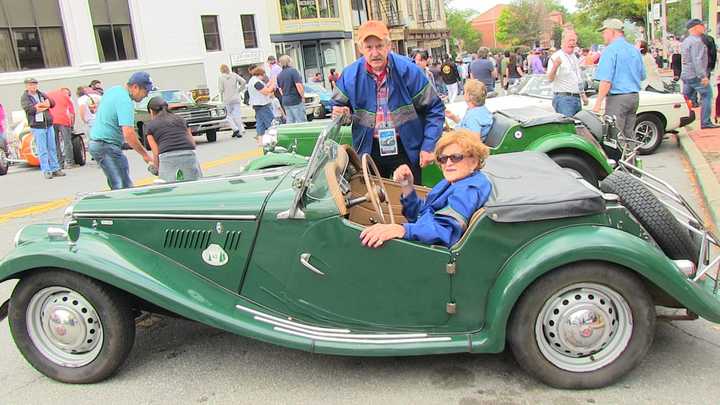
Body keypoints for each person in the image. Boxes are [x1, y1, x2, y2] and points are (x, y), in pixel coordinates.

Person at [330, 20, 445, 185]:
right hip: (370, 149)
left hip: (406, 147)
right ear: (360, 48)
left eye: (379, 46)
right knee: (375, 202)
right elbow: (338, 107)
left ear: (389, 45)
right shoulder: (350, 76)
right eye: (369, 47)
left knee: (409, 198)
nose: (375, 52)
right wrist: (342, 114)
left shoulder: (409, 71)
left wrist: (428, 146)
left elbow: (435, 108)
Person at [359, 129, 492, 248]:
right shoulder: (451, 182)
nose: (448, 163)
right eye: (443, 159)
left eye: (456, 157)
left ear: (474, 161)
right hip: (424, 237)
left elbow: (445, 230)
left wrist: (403, 230)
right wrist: (407, 186)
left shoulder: (469, 189)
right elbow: (419, 214)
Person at [89, 72, 155, 189]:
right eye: (146, 91)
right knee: (122, 185)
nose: (146, 95)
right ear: (135, 87)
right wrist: (145, 155)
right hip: (106, 144)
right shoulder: (125, 101)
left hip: (98, 143)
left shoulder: (114, 90)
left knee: (117, 180)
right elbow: (128, 133)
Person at [592, 19, 646, 141]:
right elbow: (642, 75)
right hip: (633, 97)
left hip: (618, 99)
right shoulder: (634, 50)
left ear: (613, 32)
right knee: (629, 135)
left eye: (605, 32)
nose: (603, 35)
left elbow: (606, 80)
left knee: (614, 137)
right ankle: (631, 159)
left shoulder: (610, 50)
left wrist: (598, 104)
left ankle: (618, 160)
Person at [144, 97, 202, 183]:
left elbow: (156, 152)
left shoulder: (150, 126)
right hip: (189, 155)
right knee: (193, 184)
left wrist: (156, 168)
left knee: (169, 187)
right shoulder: (181, 120)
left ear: (151, 111)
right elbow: (192, 143)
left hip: (167, 158)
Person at [20, 78, 64, 179]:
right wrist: (43, 106)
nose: (33, 86)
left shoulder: (41, 94)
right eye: (30, 85)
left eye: (34, 84)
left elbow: (52, 103)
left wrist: (41, 106)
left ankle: (55, 168)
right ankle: (46, 170)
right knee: (42, 149)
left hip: (48, 123)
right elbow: (30, 109)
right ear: (26, 86)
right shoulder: (25, 97)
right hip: (37, 126)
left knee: (52, 147)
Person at [681, 19, 718, 129]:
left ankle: (680, 118)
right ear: (696, 27)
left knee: (685, 98)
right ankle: (705, 122)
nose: (703, 27)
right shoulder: (697, 42)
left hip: (686, 74)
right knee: (707, 95)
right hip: (696, 75)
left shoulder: (686, 41)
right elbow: (697, 61)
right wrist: (703, 76)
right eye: (702, 25)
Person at [547, 30, 587, 117]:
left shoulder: (574, 57)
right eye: (570, 40)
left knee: (578, 127)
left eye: (574, 41)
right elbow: (550, 79)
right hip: (563, 99)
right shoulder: (556, 57)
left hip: (576, 98)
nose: (572, 43)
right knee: (568, 127)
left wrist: (583, 95)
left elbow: (578, 78)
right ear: (563, 42)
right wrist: (555, 66)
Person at [47, 87, 76, 168]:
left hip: (51, 121)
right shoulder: (66, 96)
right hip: (63, 120)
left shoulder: (48, 95)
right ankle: (69, 162)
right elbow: (72, 113)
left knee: (55, 143)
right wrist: (72, 125)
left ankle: (59, 163)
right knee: (67, 142)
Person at [248, 65, 277, 141]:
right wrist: (273, 83)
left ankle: (260, 140)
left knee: (260, 124)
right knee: (271, 122)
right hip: (262, 105)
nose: (265, 76)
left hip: (257, 105)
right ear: (261, 74)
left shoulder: (253, 80)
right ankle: (274, 138)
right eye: (264, 75)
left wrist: (270, 83)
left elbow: (264, 87)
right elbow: (266, 92)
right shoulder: (256, 82)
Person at [218, 64, 247, 138]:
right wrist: (239, 90)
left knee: (228, 115)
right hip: (236, 98)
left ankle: (235, 128)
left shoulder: (221, 78)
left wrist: (221, 99)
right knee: (237, 115)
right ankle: (240, 131)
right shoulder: (234, 75)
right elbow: (243, 82)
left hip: (227, 99)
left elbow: (221, 90)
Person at [276, 55, 306, 124]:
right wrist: (302, 96)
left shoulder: (279, 75)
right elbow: (299, 86)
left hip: (285, 100)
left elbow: (281, 90)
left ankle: (292, 134)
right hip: (295, 99)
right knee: (301, 121)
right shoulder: (293, 71)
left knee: (290, 121)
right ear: (288, 62)